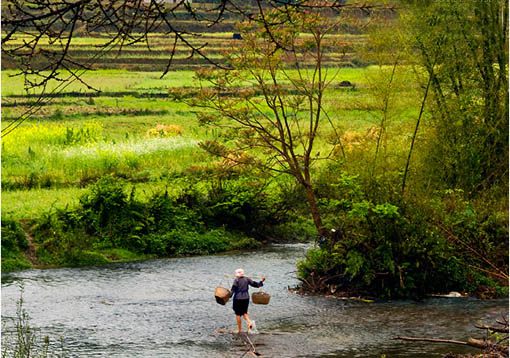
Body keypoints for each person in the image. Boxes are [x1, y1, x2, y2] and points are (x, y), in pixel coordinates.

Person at [230, 268, 265, 333]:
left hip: (238, 298)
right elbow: (255, 284)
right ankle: (249, 323)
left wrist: (228, 296)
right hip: (246, 298)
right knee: (244, 313)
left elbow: (233, 290)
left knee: (238, 314)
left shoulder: (236, 280)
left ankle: (239, 330)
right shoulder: (247, 279)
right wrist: (261, 281)